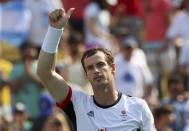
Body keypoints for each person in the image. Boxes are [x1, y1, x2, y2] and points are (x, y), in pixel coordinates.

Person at [37, 8, 156, 131]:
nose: (96, 70)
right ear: (87, 75)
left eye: (100, 64)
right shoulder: (78, 104)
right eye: (90, 68)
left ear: (113, 68)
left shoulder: (138, 107)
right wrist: (55, 30)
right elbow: (45, 73)